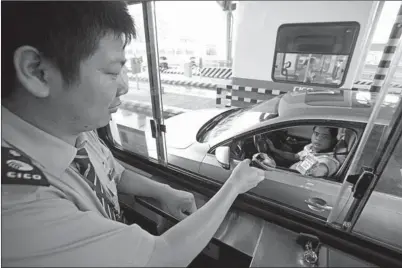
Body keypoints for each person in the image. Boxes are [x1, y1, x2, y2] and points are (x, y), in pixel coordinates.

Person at [1, 2, 264, 267]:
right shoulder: (17, 204)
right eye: (113, 72)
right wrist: (234, 186)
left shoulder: (74, 129)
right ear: (37, 72)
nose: (124, 86)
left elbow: (115, 172)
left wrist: (165, 192)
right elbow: (164, 257)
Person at [262, 126, 341, 177]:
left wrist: (273, 167)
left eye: (325, 137)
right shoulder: (311, 148)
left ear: (333, 140)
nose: (318, 139)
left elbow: (320, 171)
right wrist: (274, 150)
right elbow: (295, 156)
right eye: (316, 134)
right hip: (288, 174)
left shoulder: (328, 160)